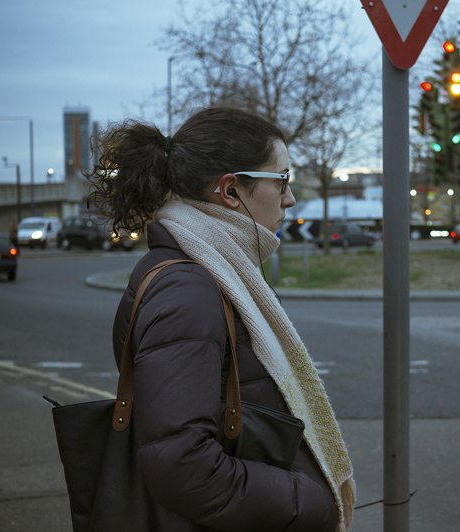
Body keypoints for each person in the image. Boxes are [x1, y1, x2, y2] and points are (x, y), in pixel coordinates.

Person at [86, 107, 354, 531]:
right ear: (230, 190)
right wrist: (314, 502)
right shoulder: (188, 290)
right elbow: (181, 464)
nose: (289, 198)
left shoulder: (208, 272)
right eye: (281, 180)